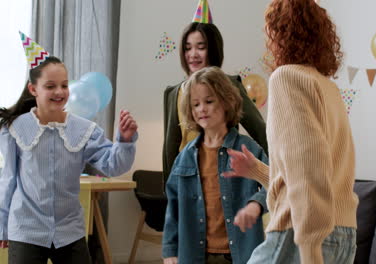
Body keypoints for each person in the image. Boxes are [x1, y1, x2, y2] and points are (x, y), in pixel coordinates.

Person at [223, 1, 358, 263]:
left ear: (280, 34)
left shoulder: (287, 78)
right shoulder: (328, 89)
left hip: (302, 233)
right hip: (344, 233)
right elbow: (319, 168)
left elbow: (309, 166)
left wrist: (309, 247)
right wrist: (258, 171)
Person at [0, 37, 138, 263]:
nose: (60, 92)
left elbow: (113, 165)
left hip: (69, 231)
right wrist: (2, 224)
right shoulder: (16, 129)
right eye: (50, 86)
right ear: (33, 89)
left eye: (64, 85)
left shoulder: (84, 130)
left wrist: (124, 140)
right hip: (26, 228)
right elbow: (8, 180)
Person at [162, 67, 268, 264]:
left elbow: (277, 183)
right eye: (195, 104)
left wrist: (256, 204)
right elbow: (173, 207)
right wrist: (170, 250)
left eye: (209, 101)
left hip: (241, 254)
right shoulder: (184, 157)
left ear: (227, 103)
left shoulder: (248, 149)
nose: (201, 108)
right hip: (195, 255)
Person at [163, 0, 268, 190]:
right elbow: (170, 148)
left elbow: (260, 132)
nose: (193, 54)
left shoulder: (230, 85)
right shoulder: (174, 93)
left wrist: (273, 179)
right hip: (187, 184)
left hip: (224, 183)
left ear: (213, 48)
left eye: (200, 47)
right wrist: (170, 196)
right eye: (188, 47)